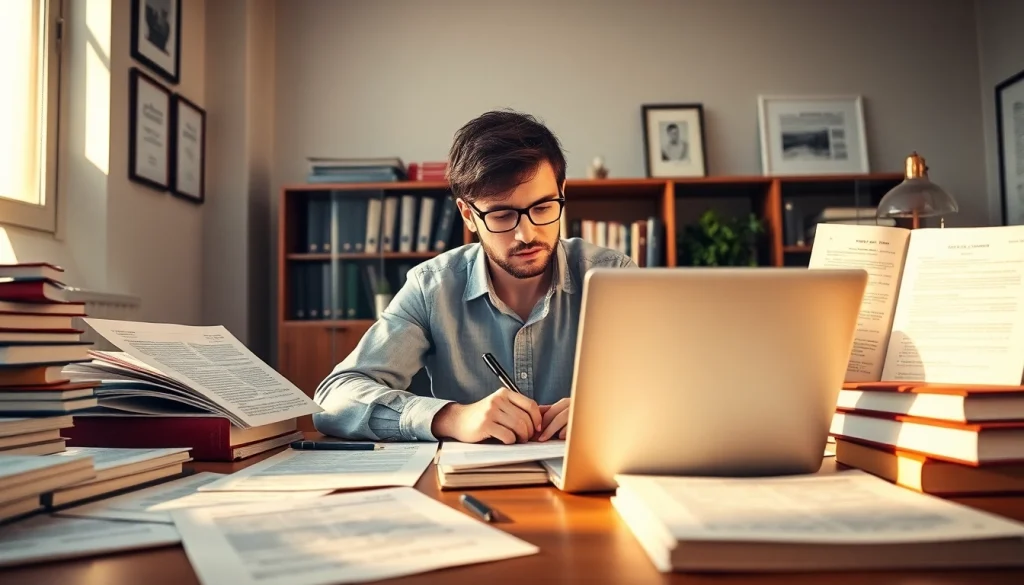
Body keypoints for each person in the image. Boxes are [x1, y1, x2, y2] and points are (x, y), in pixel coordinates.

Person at [312, 109, 635, 445]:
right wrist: (452, 417)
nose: (526, 234)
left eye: (542, 208)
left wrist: (607, 409)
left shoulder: (614, 277)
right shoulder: (432, 287)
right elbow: (333, 400)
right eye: (501, 214)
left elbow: (674, 388)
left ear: (562, 192)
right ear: (468, 214)